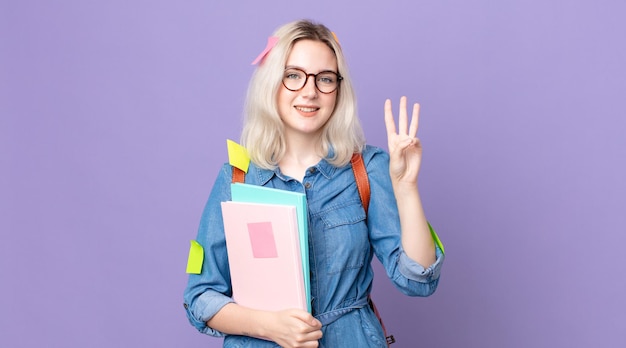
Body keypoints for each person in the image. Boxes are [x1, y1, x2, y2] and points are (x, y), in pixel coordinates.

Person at [183, 19, 445, 348]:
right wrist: (268, 325)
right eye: (294, 75)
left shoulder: (367, 169)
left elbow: (417, 280)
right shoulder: (237, 178)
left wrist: (406, 188)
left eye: (324, 79)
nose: (310, 91)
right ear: (272, 84)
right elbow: (200, 297)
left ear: (338, 88)